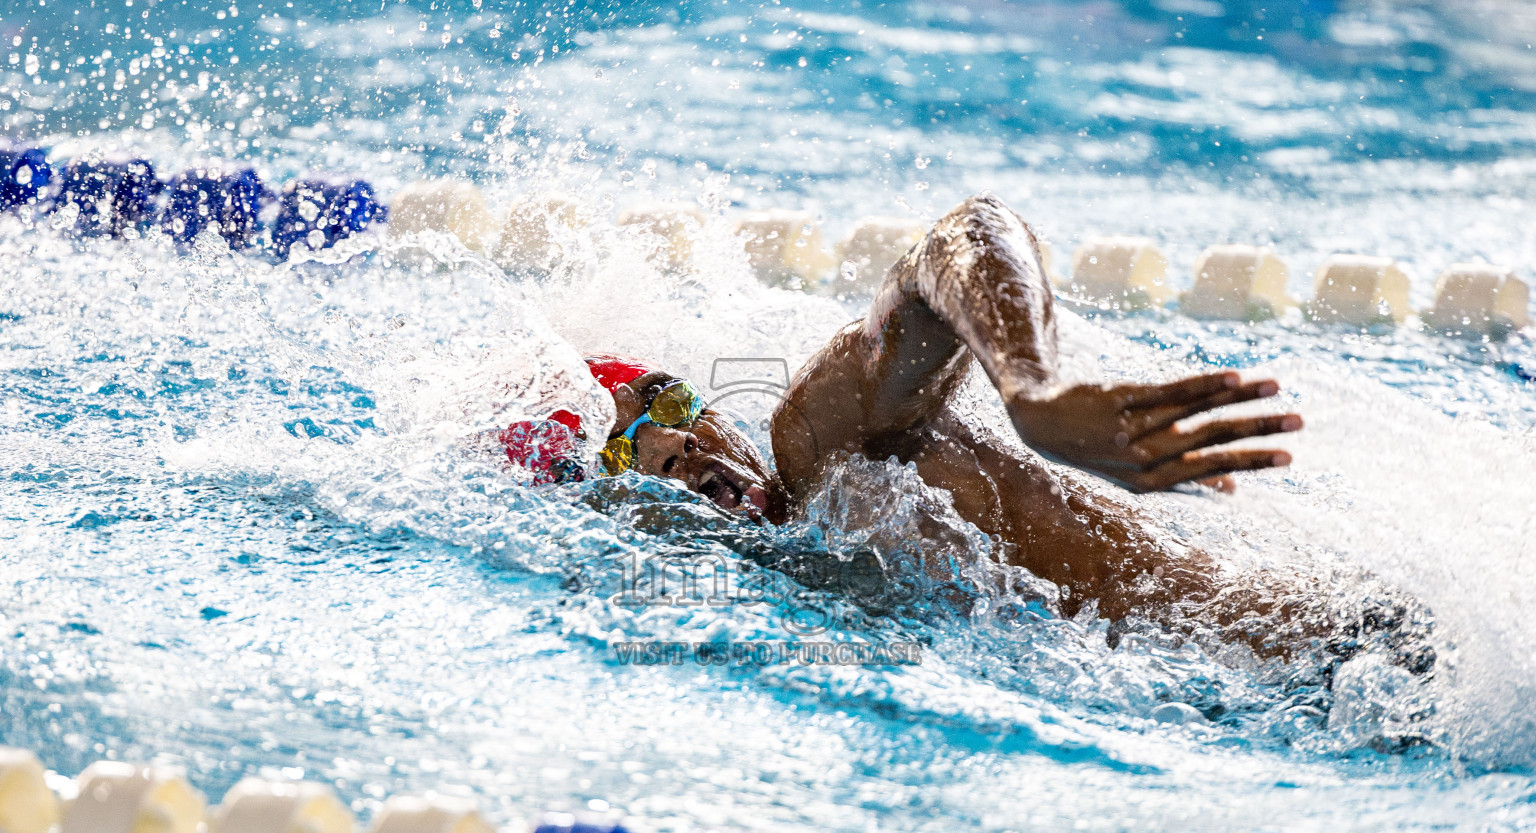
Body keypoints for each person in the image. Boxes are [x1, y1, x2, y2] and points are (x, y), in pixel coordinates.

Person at [507, 192, 1434, 702]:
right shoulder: (774, 587)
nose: (687, 454)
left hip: (1347, 650)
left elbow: (959, 236)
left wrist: (1034, 389)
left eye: (671, 405)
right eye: (639, 459)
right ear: (615, 508)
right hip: (1271, 699)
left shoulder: (817, 445)